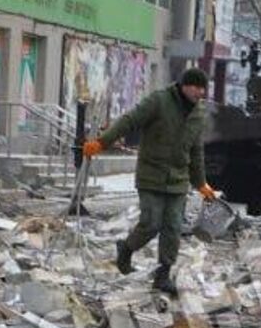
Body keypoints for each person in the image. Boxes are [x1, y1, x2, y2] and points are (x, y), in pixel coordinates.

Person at [82, 66, 216, 297]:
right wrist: (103, 142)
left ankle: (162, 276)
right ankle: (126, 248)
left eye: (203, 88)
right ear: (184, 86)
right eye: (196, 87)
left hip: (178, 179)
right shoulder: (159, 101)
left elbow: (196, 150)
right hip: (151, 174)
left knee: (173, 228)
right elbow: (129, 120)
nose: (200, 92)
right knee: (151, 223)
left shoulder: (199, 112)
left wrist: (201, 183)